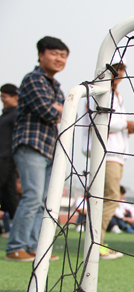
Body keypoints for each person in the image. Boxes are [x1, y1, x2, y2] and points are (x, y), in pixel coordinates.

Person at [6, 36, 68, 262]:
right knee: (32, 196)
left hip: (49, 147)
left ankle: (34, 247)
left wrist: (59, 109)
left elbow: (64, 112)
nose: (59, 59)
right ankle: (16, 247)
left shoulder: (56, 87)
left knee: (43, 200)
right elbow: (48, 111)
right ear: (41, 55)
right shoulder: (33, 79)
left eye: (63, 56)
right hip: (31, 143)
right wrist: (58, 109)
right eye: (54, 53)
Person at [82, 61, 134, 259]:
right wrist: (126, 124)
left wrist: (126, 129)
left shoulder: (117, 94)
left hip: (116, 155)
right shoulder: (99, 91)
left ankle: (95, 242)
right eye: (116, 69)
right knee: (110, 198)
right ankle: (94, 243)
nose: (119, 73)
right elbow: (100, 119)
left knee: (106, 198)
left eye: (122, 70)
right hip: (106, 154)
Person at [0, 84, 19, 235]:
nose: (2, 99)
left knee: (11, 196)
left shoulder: (16, 115)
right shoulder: (4, 116)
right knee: (10, 196)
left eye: (5, 96)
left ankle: (21, 231)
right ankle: (19, 231)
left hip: (7, 160)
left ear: (15, 97)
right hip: (4, 160)